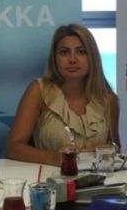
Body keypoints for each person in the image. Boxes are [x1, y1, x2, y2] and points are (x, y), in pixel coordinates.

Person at [6, 23, 120, 166]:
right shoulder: (39, 90)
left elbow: (115, 147)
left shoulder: (108, 99)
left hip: (96, 177)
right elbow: (13, 148)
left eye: (81, 52)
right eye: (64, 52)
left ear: (92, 57)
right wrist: (58, 158)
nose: (72, 59)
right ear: (55, 58)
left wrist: (102, 151)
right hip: (49, 176)